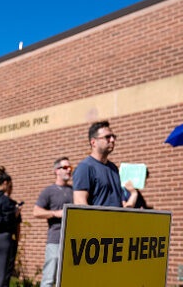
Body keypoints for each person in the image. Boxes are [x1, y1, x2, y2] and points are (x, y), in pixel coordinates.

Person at [33, 157, 74, 287]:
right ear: (57, 170)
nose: (69, 170)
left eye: (70, 168)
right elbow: (36, 212)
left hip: (72, 241)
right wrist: (55, 213)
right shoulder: (49, 191)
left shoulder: (75, 190)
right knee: (49, 279)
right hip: (55, 240)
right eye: (66, 168)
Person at [73, 121, 124, 207]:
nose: (112, 140)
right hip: (97, 220)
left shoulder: (113, 168)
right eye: (107, 137)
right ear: (93, 142)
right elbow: (80, 204)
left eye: (113, 136)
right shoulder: (85, 167)